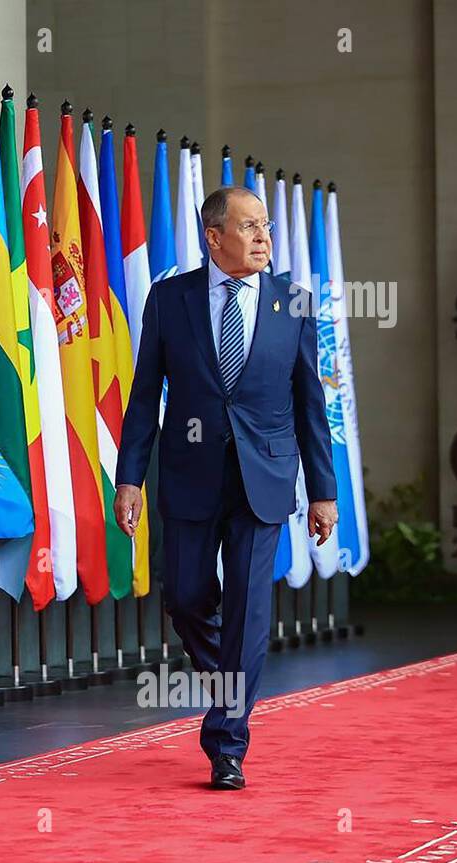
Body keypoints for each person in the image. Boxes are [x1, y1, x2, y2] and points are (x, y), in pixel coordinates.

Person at [112, 186, 337, 790]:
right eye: (249, 227)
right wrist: (129, 476)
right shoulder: (170, 299)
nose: (264, 237)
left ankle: (227, 742)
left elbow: (310, 405)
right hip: (188, 475)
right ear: (214, 238)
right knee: (184, 596)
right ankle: (232, 678)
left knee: (248, 606)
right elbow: (143, 397)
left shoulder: (293, 304)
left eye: (265, 226)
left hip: (263, 478)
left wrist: (323, 490)